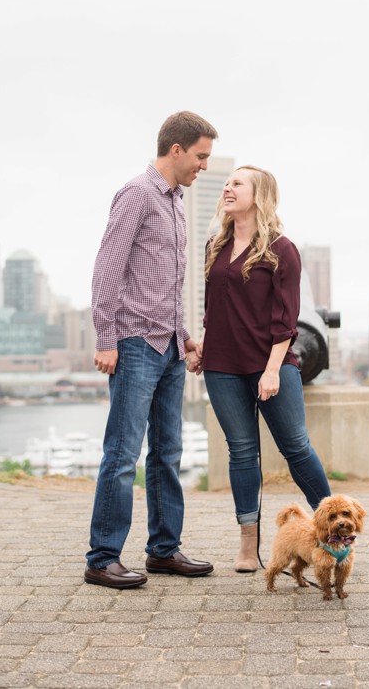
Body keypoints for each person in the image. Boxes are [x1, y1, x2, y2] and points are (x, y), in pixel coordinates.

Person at [84, 111, 219, 589]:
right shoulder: (137, 195)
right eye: (201, 156)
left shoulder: (179, 203)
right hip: (135, 345)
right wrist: (105, 338)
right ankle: (102, 557)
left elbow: (163, 285)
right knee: (122, 453)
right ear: (176, 149)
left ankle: (163, 550)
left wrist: (185, 337)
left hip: (169, 348)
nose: (204, 165)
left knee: (167, 453)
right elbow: (108, 270)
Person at [190, 164, 331, 573]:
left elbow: (286, 318)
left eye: (237, 183)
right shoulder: (214, 245)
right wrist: (203, 344)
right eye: (227, 183)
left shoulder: (282, 249)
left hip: (271, 363)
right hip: (221, 366)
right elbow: (213, 307)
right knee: (242, 452)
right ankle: (249, 546)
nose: (227, 188)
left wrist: (272, 371)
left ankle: (333, 529)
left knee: (296, 448)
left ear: (259, 194)